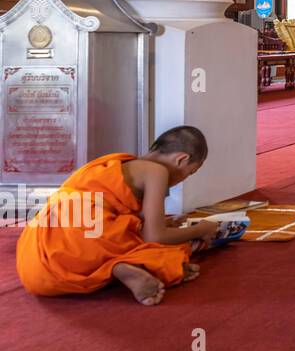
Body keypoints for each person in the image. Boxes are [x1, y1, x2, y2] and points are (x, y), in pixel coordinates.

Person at [15, 127, 218, 306]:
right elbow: (155, 237)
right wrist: (202, 229)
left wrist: (159, 222)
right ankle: (118, 266)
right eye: (190, 172)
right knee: (171, 250)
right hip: (87, 236)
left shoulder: (118, 162)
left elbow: (111, 212)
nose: (184, 179)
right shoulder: (157, 172)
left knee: (151, 241)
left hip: (39, 252)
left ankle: (121, 267)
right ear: (181, 159)